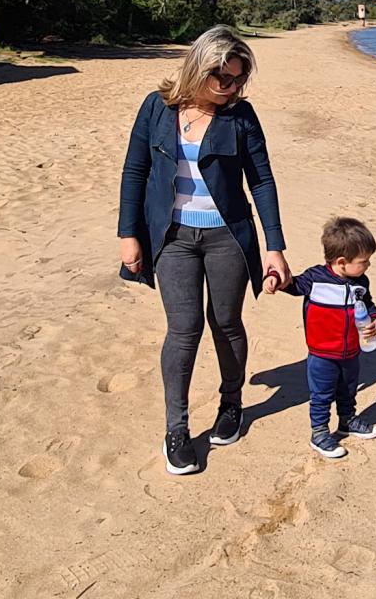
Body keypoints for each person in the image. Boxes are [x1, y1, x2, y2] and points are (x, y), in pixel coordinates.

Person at [118, 25, 292, 475]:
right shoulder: (156, 108)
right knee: (184, 328)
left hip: (227, 237)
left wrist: (275, 246)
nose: (232, 88)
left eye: (238, 80)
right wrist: (128, 233)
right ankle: (176, 428)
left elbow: (262, 180)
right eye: (224, 80)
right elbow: (135, 171)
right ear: (200, 68)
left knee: (226, 321)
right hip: (172, 238)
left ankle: (230, 404)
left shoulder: (241, 116)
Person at [269, 217, 376, 459]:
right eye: (364, 261)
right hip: (322, 355)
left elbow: (369, 305)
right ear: (342, 262)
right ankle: (319, 432)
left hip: (352, 351)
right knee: (321, 394)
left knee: (348, 389)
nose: (368, 265)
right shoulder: (315, 279)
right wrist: (276, 279)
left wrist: (375, 321)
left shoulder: (360, 282)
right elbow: (293, 285)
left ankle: (348, 420)